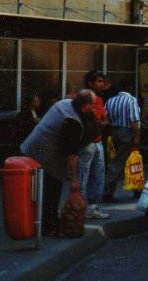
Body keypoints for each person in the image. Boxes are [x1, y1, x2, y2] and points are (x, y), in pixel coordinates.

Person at [20, 90, 97, 236]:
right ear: (84, 105)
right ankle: (48, 226)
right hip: (45, 154)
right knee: (52, 189)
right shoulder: (72, 121)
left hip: (34, 147)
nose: (95, 108)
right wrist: (74, 181)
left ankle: (47, 223)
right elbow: (71, 154)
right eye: (93, 105)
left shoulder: (65, 103)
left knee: (47, 190)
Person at [76, 71, 110, 219]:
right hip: (87, 142)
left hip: (98, 141)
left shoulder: (100, 100)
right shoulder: (83, 98)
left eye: (103, 81)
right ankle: (81, 208)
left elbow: (104, 119)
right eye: (99, 81)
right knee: (84, 176)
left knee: (98, 176)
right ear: (90, 83)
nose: (102, 84)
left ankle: (92, 207)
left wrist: (101, 122)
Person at [102, 80, 141, 202]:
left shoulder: (110, 101)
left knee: (123, 160)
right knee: (120, 162)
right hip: (127, 132)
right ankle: (107, 192)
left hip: (114, 131)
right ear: (130, 88)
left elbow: (105, 117)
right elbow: (134, 120)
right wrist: (137, 136)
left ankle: (136, 188)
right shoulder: (131, 100)